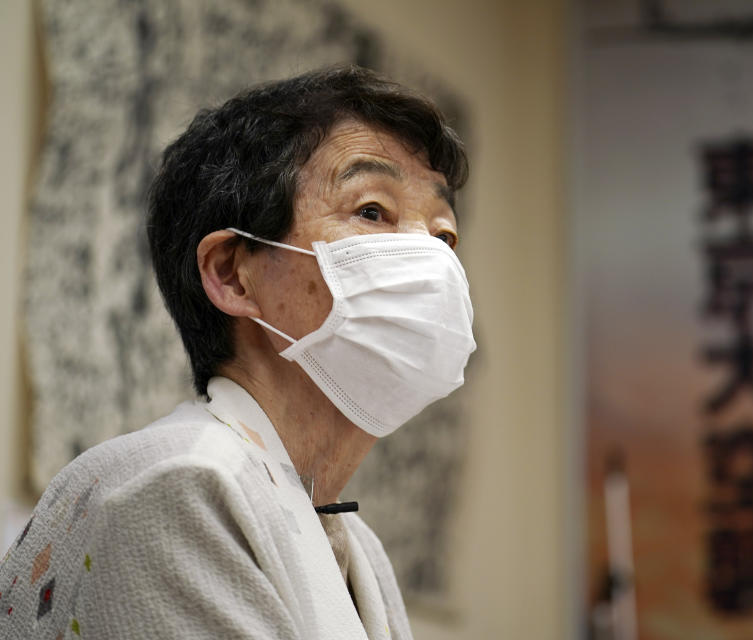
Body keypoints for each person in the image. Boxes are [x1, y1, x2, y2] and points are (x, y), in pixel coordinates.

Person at [0, 65, 475, 639]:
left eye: (444, 236)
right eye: (373, 211)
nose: (431, 262)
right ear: (232, 274)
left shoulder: (356, 548)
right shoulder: (178, 485)